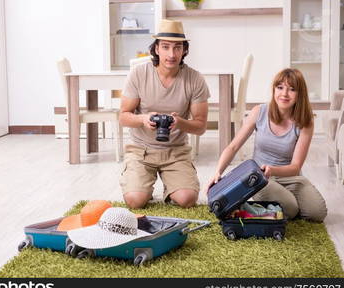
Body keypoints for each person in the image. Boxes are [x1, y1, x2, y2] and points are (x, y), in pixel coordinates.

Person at [206, 68, 327, 222]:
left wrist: (273, 169)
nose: (284, 94)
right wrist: (218, 171)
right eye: (280, 87)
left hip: (290, 177)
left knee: (317, 213)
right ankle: (273, 203)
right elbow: (233, 147)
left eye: (292, 89)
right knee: (291, 209)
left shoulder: (305, 122)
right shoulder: (259, 112)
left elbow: (296, 166)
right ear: (274, 89)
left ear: (299, 94)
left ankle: (276, 203)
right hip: (261, 178)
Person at [119, 19, 210, 209]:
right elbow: (123, 116)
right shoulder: (138, 74)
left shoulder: (195, 79)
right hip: (141, 150)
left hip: (176, 151)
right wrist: (143, 119)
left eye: (177, 48)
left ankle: (173, 186)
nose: (171, 54)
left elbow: (201, 126)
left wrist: (180, 123)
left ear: (184, 50)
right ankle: (143, 187)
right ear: (156, 49)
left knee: (187, 199)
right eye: (166, 47)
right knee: (135, 201)